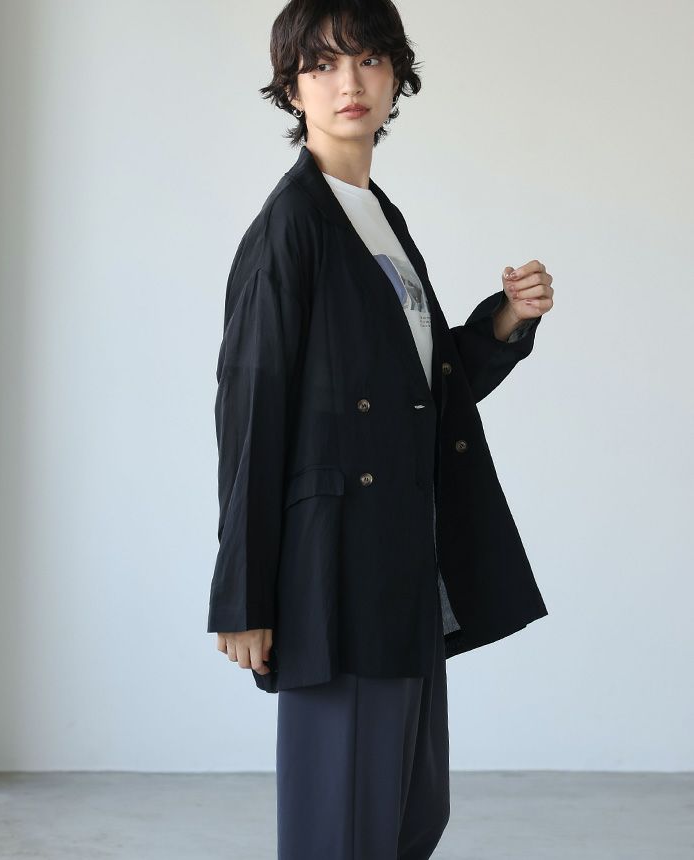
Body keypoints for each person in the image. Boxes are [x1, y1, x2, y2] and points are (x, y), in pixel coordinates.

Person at [207, 1, 554, 857]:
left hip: (403, 560)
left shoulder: (376, 217)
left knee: (408, 816)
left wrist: (504, 321)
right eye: (322, 65)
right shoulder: (292, 227)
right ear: (291, 89)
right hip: (335, 576)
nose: (348, 82)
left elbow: (419, 396)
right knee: (343, 823)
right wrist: (244, 597)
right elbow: (250, 411)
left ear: (397, 76)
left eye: (367, 59)